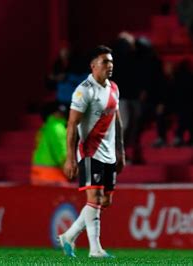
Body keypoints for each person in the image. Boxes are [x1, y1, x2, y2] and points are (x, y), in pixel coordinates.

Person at [58, 45, 125, 258]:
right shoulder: (84, 90)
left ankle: (68, 235)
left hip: (109, 154)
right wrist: (70, 158)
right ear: (93, 65)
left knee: (104, 201)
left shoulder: (113, 88)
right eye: (105, 62)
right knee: (94, 198)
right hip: (90, 151)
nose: (110, 65)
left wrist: (120, 151)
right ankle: (95, 250)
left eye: (111, 61)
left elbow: (118, 121)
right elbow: (71, 125)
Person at [30, 102, 68, 185]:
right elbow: (61, 152)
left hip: (37, 172)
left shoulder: (45, 127)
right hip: (52, 174)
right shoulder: (58, 128)